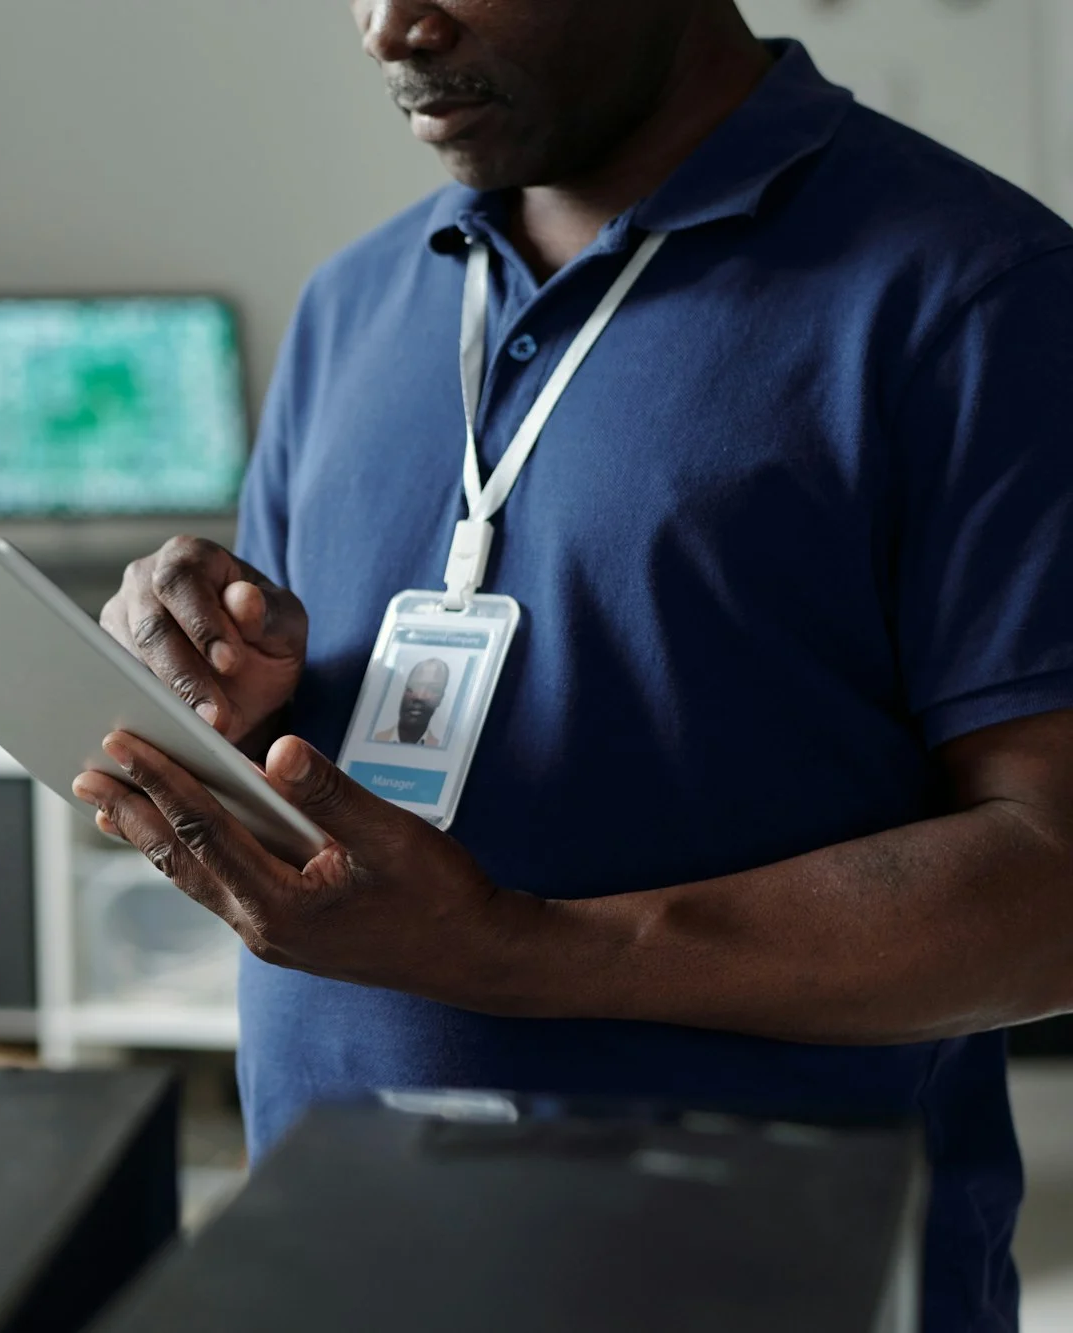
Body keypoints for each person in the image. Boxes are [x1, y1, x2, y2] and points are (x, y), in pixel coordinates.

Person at [74, 3, 1073, 1328]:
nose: (391, 30)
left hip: (766, 1281)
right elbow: (368, 761)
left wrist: (517, 948)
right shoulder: (353, 302)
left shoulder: (978, 291)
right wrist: (229, 693)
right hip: (335, 1255)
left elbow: (1053, 878)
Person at [375, 657, 450, 745]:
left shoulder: (442, 750)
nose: (419, 696)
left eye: (432, 689)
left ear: (441, 698)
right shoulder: (375, 739)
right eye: (414, 686)